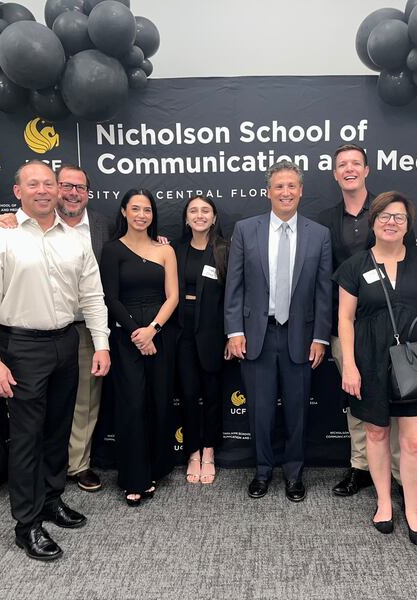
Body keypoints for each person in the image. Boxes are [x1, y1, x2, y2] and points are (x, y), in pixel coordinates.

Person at [0, 161, 111, 561]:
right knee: (27, 438)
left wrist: (101, 344)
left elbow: (92, 296)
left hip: (67, 343)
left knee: (57, 431)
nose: (44, 190)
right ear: (18, 191)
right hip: (21, 347)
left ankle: (50, 499)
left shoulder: (75, 239)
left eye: (49, 183)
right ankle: (26, 524)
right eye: (34, 184)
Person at [0, 164, 115, 493]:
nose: (73, 193)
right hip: (29, 338)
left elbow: (126, 253)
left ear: (88, 193)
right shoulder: (11, 230)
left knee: (82, 403)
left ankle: (77, 465)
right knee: (34, 418)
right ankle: (34, 492)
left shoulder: (103, 225)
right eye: (67, 186)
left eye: (80, 188)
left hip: (82, 329)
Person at [225, 160, 332, 502]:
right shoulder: (246, 230)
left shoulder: (319, 234)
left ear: (301, 191)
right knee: (260, 410)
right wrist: (234, 331)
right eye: (279, 186)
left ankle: (294, 473)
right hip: (257, 335)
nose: (285, 192)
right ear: (268, 191)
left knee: (298, 410)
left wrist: (320, 337)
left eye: (291, 186)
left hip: (300, 336)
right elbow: (234, 285)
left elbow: (323, 292)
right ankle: (262, 471)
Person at [334, 191, 417, 544]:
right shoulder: (355, 266)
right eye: (384, 216)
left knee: (414, 442)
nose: (391, 222)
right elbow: (345, 319)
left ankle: (413, 510)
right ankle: (383, 503)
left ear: (408, 225)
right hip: (370, 361)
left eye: (399, 217)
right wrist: (350, 365)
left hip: (416, 363)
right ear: (373, 221)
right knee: (376, 434)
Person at [317, 144, 402, 498]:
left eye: (355, 163)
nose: (349, 169)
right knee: (356, 397)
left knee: (395, 401)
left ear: (367, 170)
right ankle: (361, 467)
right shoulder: (325, 220)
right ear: (335, 174)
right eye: (342, 165)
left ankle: (398, 473)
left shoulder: (387, 212)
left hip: (389, 325)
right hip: (346, 325)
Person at [100, 189, 178, 506]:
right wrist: (137, 334)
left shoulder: (165, 249)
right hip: (127, 338)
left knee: (159, 403)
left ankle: (156, 468)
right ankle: (134, 477)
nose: (141, 215)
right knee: (131, 406)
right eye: (135, 209)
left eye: (147, 210)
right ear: (124, 212)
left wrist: (153, 331)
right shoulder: (111, 250)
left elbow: (173, 296)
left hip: (160, 335)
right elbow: (111, 298)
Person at [173, 195, 230, 484]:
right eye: (193, 211)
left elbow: (233, 295)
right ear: (186, 218)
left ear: (214, 217)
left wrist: (231, 335)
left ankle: (209, 451)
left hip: (213, 334)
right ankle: (192, 452)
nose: (199, 215)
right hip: (181, 334)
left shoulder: (225, 250)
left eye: (205, 210)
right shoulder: (174, 249)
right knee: (187, 395)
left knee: (212, 396)